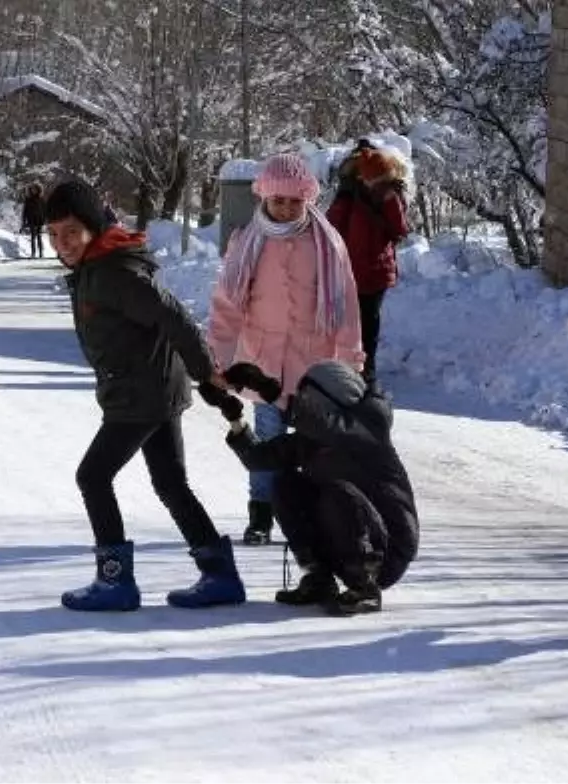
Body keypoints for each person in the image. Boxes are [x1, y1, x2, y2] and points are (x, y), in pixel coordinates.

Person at [46, 179, 245, 612]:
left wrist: (206, 372)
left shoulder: (114, 272)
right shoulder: (95, 267)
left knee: (93, 477)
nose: (63, 244)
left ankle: (115, 580)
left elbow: (172, 316)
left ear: (93, 228)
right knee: (171, 483)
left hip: (142, 393)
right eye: (54, 235)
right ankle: (219, 573)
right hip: (148, 387)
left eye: (71, 233)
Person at [207, 153, 364, 547]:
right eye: (279, 200)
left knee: (316, 447)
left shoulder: (327, 244)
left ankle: (312, 514)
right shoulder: (247, 243)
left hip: (315, 365)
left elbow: (345, 306)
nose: (286, 208)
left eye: (295, 201)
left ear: (307, 199)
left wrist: (350, 363)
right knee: (266, 444)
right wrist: (217, 359)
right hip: (264, 364)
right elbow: (228, 304)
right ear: (265, 198)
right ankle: (260, 515)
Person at [221, 359, 419, 615]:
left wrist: (268, 389)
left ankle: (365, 587)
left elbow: (327, 426)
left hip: (391, 548)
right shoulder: (312, 439)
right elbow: (256, 458)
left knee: (339, 491)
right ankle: (318, 577)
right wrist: (233, 416)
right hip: (347, 542)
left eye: (309, 396)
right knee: (285, 484)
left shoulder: (370, 423)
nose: (306, 402)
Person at [327, 145, 411, 388]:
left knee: (368, 323)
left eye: (384, 178)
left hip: (375, 272)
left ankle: (366, 370)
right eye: (375, 178)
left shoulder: (392, 195)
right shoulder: (349, 195)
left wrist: (388, 202)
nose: (379, 183)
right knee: (350, 323)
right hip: (349, 271)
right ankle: (349, 367)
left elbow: (400, 230)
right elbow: (332, 227)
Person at [20, 183, 46, 258]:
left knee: (39, 237)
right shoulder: (28, 200)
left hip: (39, 221)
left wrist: (44, 220)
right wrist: (24, 221)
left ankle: (41, 253)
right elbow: (25, 211)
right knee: (33, 237)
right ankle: (33, 253)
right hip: (31, 221)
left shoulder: (41, 199)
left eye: (35, 189)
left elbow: (45, 211)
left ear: (38, 190)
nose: (33, 190)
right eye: (32, 189)